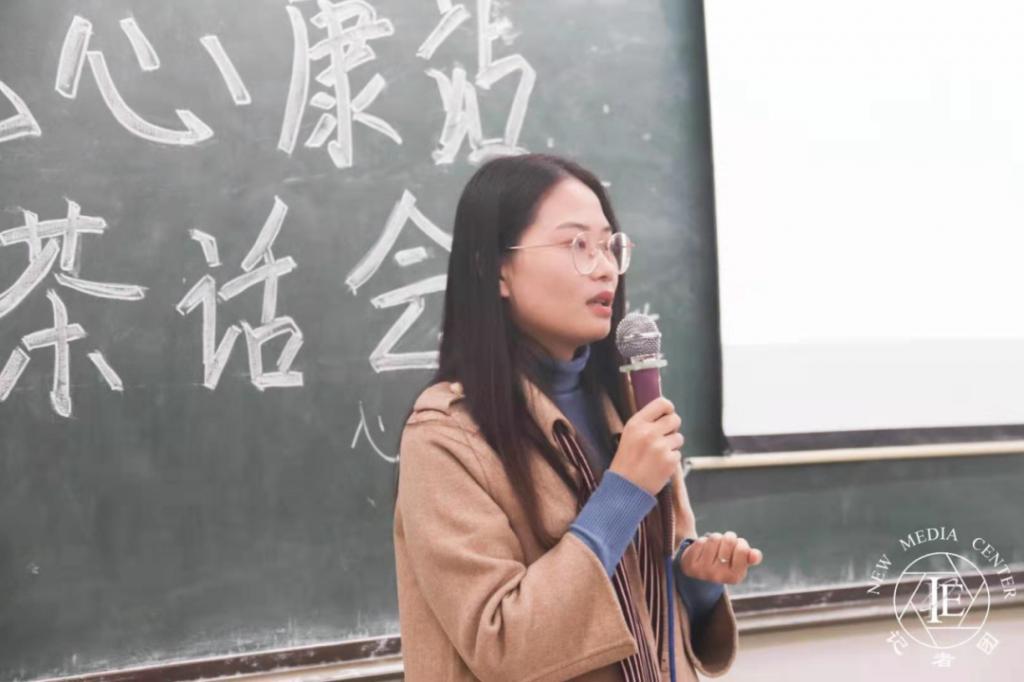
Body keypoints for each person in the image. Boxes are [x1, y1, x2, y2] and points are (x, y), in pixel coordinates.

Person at [393, 154, 763, 681]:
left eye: (609, 246)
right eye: (576, 246)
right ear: (496, 269)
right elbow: (501, 644)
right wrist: (623, 493)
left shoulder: (628, 407)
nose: (606, 267)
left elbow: (648, 609)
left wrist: (695, 584)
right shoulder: (446, 436)